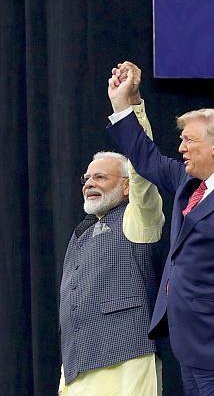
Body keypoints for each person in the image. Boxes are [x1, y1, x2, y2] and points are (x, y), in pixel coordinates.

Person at [106, 62, 214, 395]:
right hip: (192, 346)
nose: (181, 148)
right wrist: (122, 104)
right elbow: (147, 158)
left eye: (188, 140)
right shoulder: (192, 181)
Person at [59, 92, 165, 395]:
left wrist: (128, 109)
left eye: (101, 177)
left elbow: (144, 169)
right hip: (79, 369)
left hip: (128, 362)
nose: (90, 183)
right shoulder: (80, 232)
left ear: (126, 185)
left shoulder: (138, 220)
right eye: (87, 178)